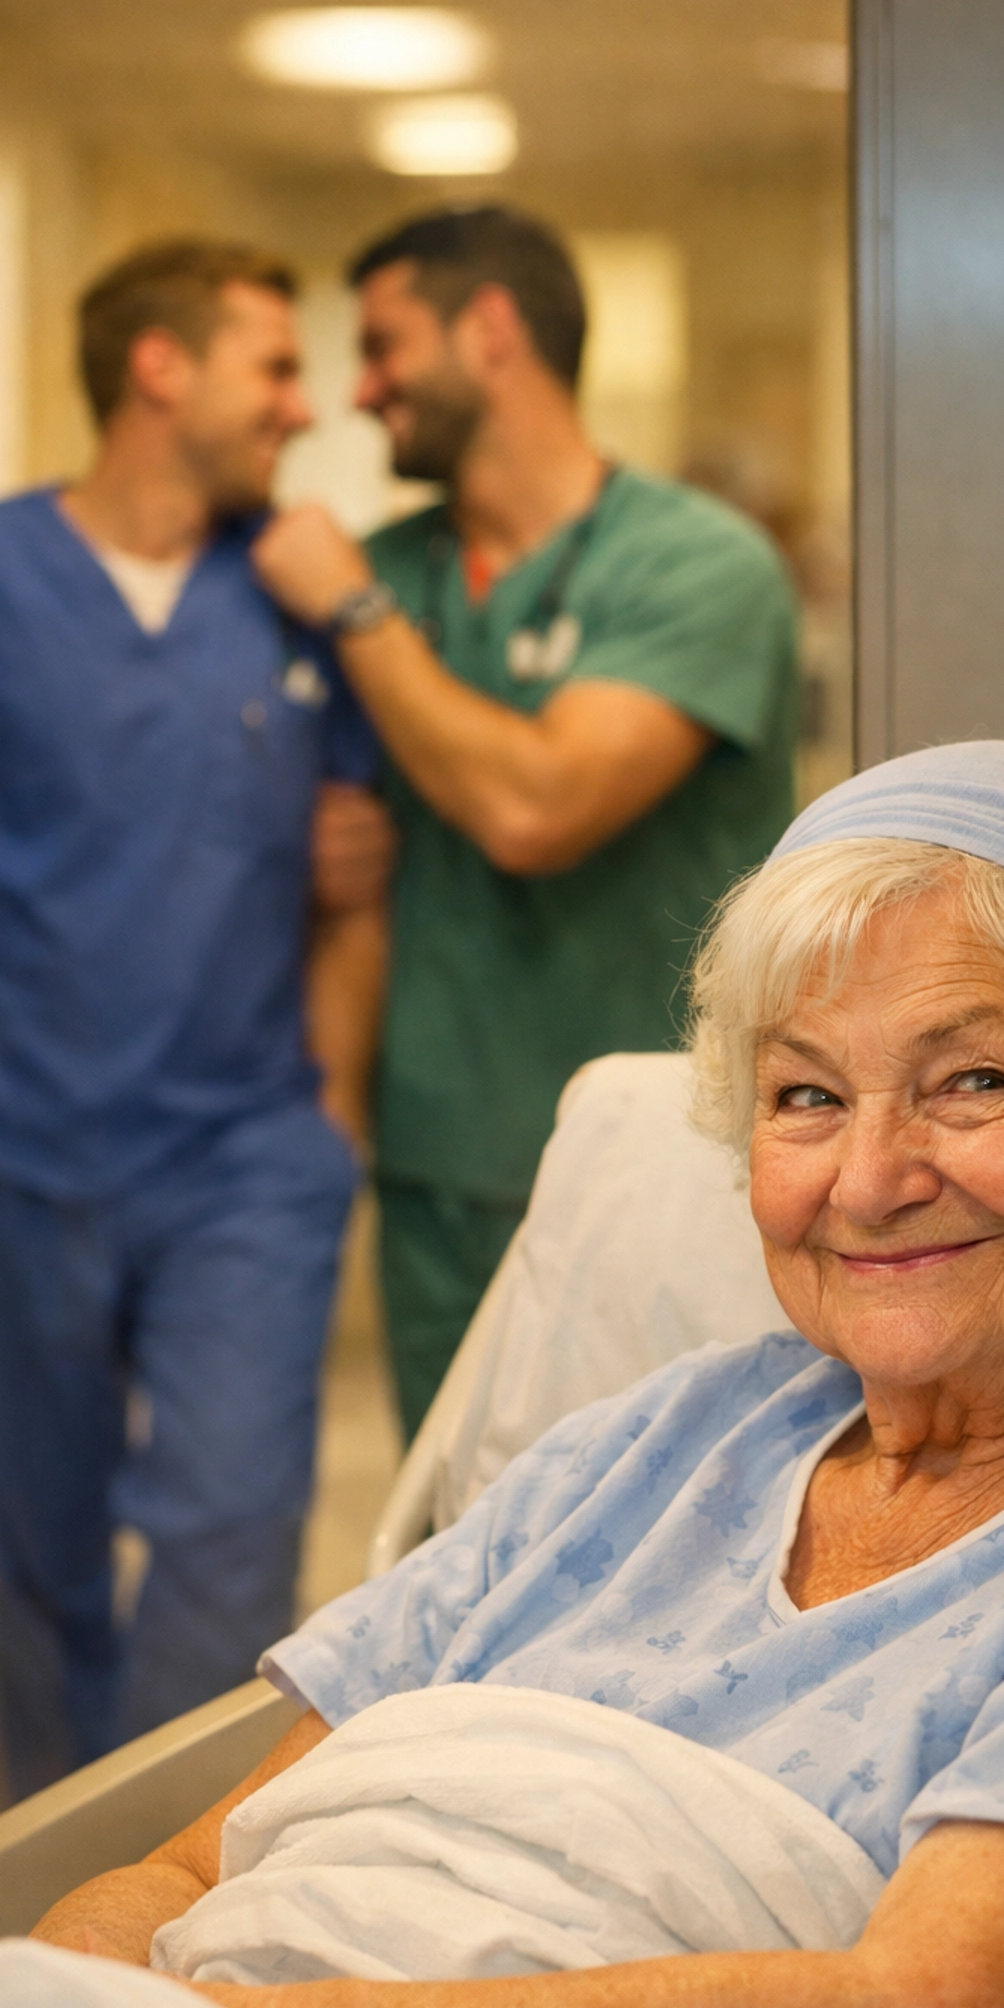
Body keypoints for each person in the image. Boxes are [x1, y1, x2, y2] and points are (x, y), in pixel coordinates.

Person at [20, 744, 1004, 2008]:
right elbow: (179, 1876)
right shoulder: (655, 1446)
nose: (869, 1179)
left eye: (974, 1082)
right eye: (806, 1096)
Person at [252, 204, 800, 1439]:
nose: (359, 391)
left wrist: (355, 614)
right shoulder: (394, 564)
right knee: (458, 1527)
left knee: (663, 1521)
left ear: (492, 331)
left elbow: (534, 807)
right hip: (440, 1162)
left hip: (669, 1160)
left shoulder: (695, 565)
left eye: (384, 347)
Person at [0, 237, 392, 1802]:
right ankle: (37, 1865)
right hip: (18, 1148)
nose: (302, 405)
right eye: (273, 367)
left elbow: (359, 878)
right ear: (160, 368)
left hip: (243, 1156)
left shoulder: (290, 594)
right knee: (24, 1555)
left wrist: (328, 1114)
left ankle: (158, 1870)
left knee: (231, 1543)